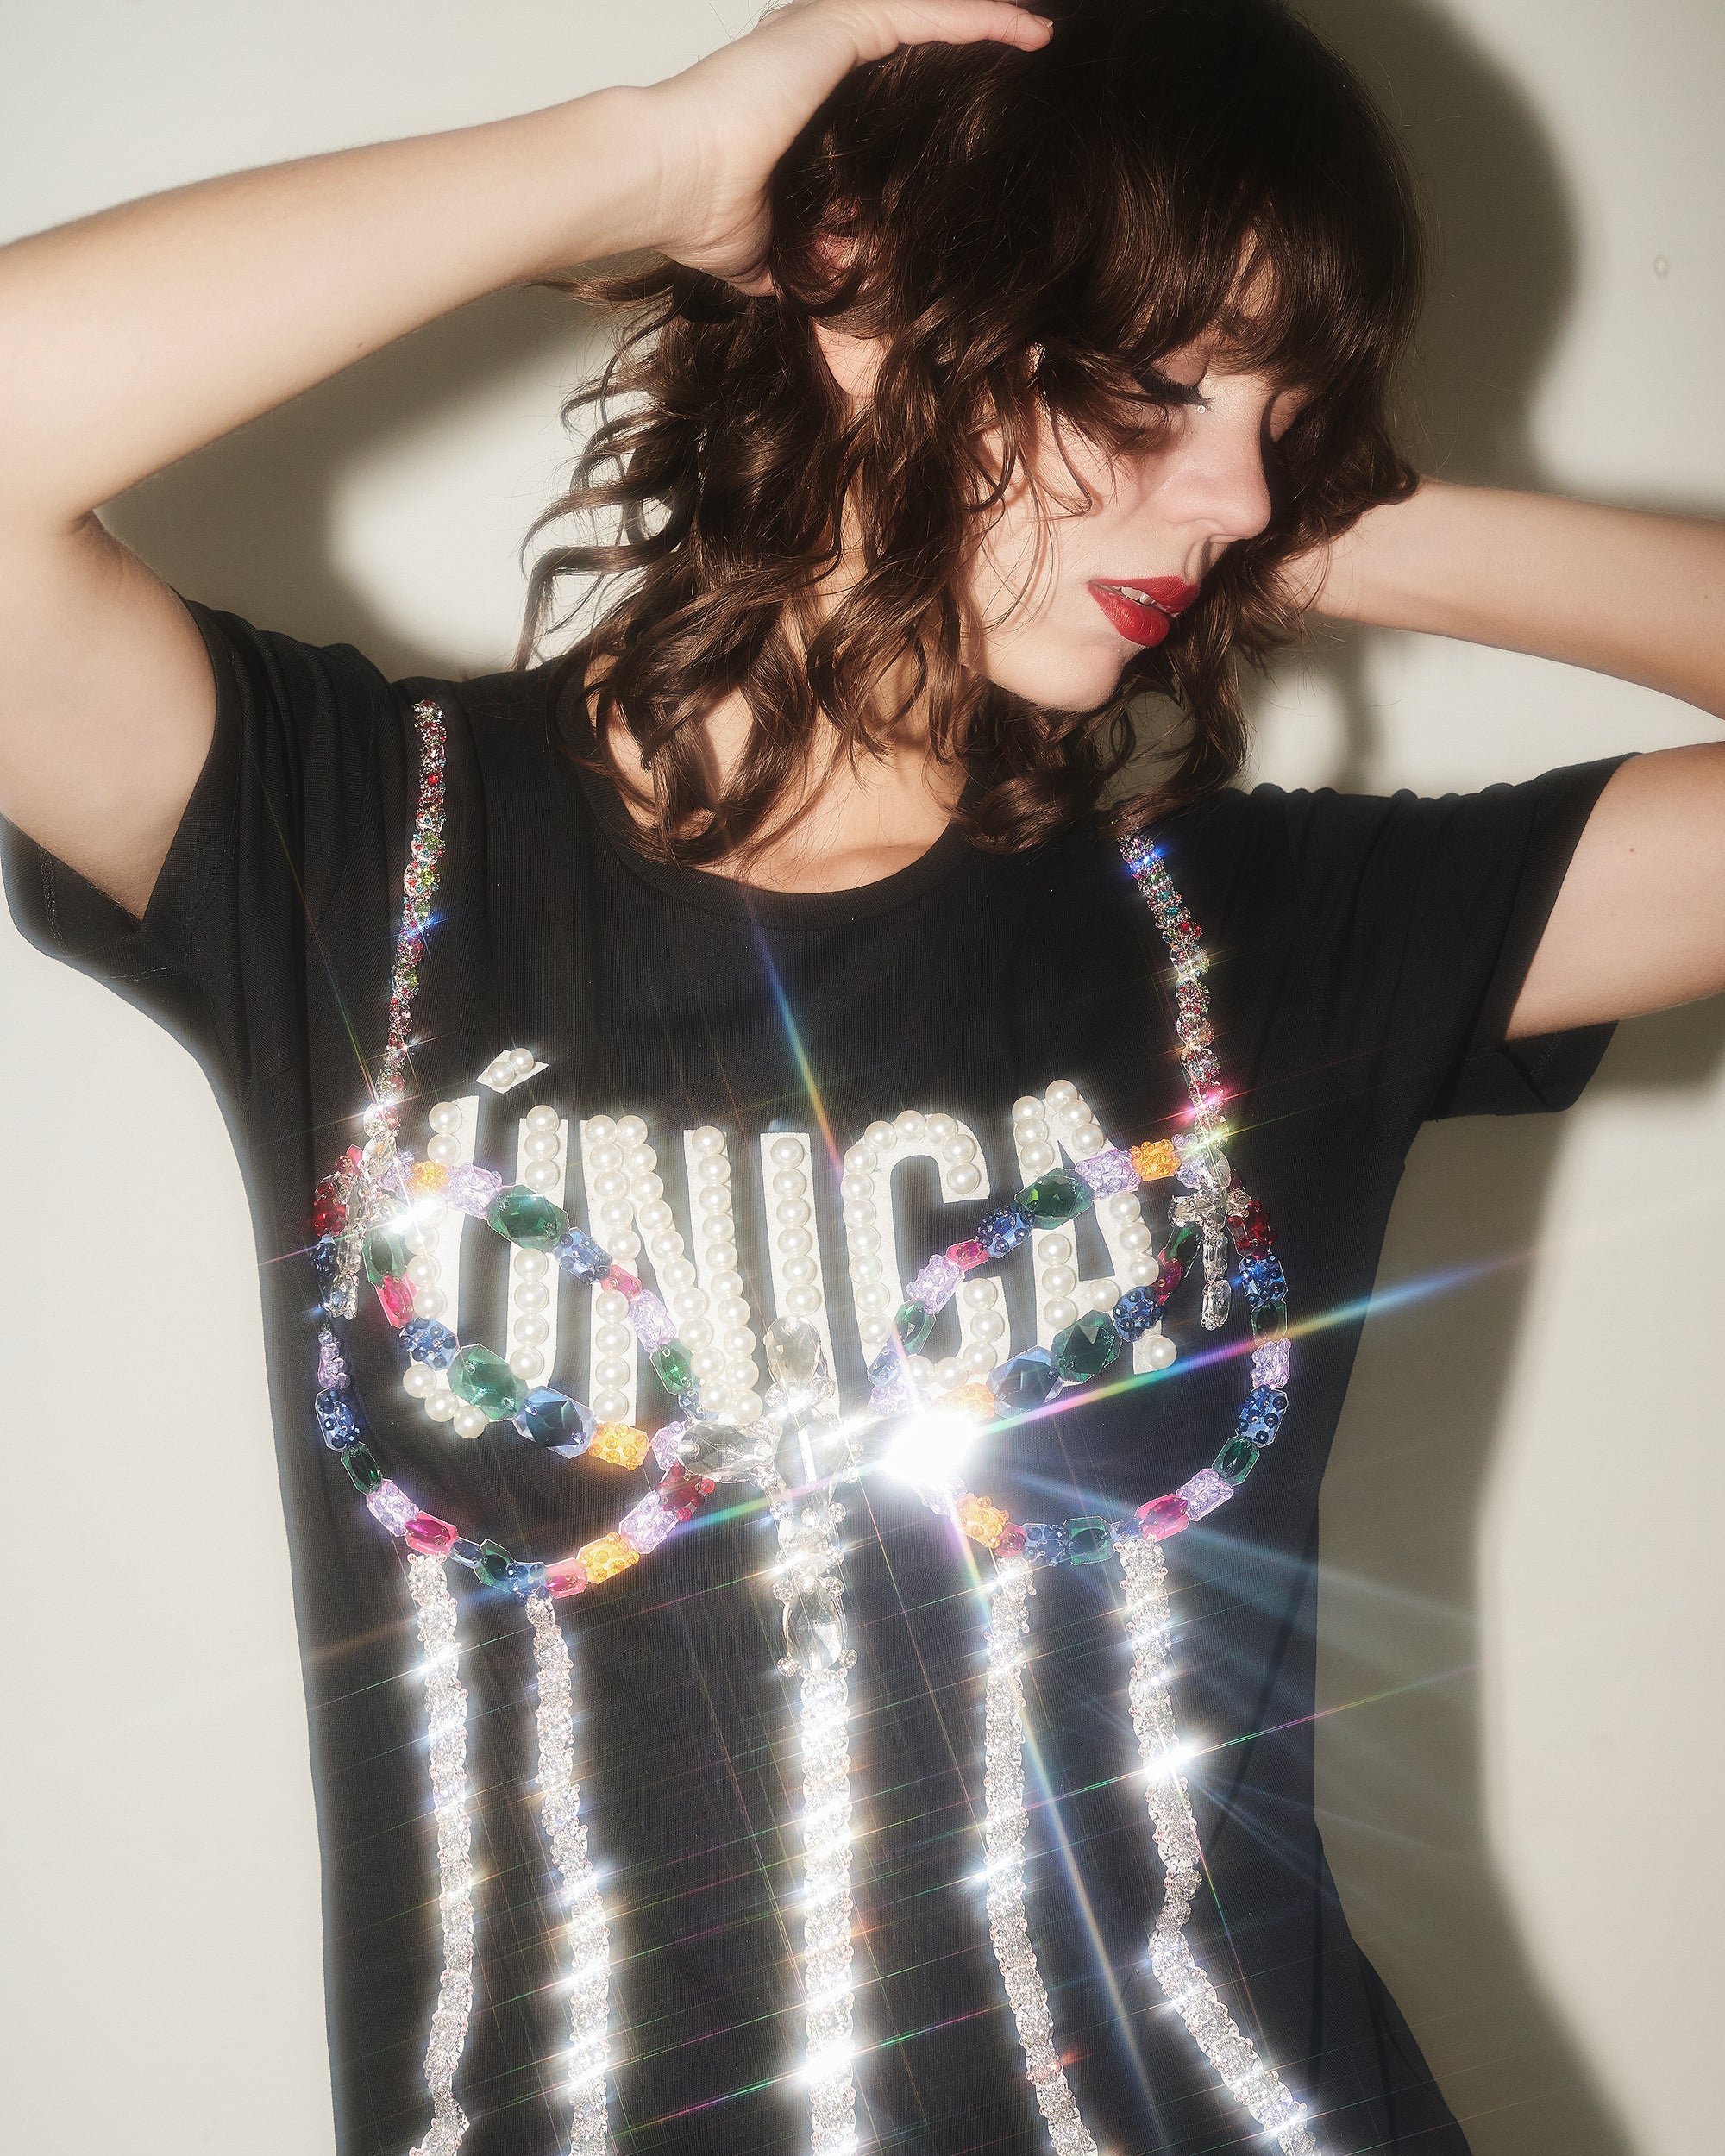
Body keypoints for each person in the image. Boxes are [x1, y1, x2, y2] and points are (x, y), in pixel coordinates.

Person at [2, 1, 1721, 2152]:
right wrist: (649, 161)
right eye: (1157, 380)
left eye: (1284, 413)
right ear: (864, 292)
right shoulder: (369, 850)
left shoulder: (1257, 941)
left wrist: (1304, 519)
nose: (1228, 482)